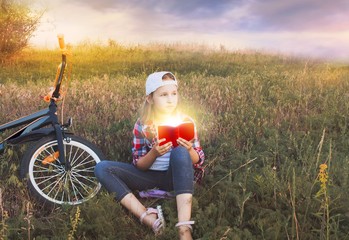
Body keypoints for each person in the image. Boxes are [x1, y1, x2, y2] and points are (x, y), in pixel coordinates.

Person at [94, 71, 205, 240]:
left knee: (180, 151)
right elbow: (139, 165)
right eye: (163, 95)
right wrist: (154, 153)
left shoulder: (186, 121)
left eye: (174, 94)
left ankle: (184, 228)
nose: (170, 99)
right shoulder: (142, 125)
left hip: (176, 177)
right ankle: (148, 218)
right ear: (150, 98)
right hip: (149, 177)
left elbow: (199, 160)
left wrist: (189, 150)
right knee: (102, 168)